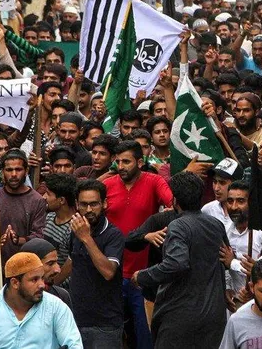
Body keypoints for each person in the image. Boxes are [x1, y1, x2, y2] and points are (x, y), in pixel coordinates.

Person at [133, 172, 228, 348]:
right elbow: (225, 261)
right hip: (214, 316)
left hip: (180, 317)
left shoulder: (178, 225)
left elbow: (176, 263)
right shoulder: (216, 225)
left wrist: (142, 276)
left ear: (175, 200)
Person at [102, 140, 172, 349]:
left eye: (126, 161)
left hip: (143, 276)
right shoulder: (107, 185)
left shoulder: (154, 182)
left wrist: (156, 229)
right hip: (111, 273)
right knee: (111, 336)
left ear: (140, 162)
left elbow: (173, 205)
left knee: (144, 337)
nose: (121, 166)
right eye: (118, 162)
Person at [0, 252, 83, 349]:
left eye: (42, 278)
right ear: (15, 283)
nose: (42, 284)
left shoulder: (56, 308)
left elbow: (74, 345)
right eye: (34, 279)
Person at [64, 178, 125, 347]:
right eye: (83, 204)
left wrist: (86, 238)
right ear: (76, 204)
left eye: (94, 204)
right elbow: (72, 260)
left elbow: (108, 272)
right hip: (76, 321)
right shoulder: (76, 230)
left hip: (105, 325)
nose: (89, 210)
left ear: (104, 204)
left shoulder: (113, 235)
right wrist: (50, 281)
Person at [0, 149, 47, 269]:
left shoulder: (37, 200)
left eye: (18, 169)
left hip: (26, 267)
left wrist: (18, 240)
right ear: (3, 172)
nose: (14, 174)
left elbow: (38, 236)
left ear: (26, 171)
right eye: (9, 170)